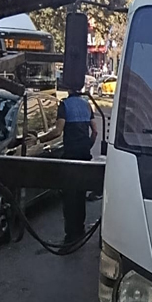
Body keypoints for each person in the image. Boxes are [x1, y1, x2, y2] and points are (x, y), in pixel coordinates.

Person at [56, 91, 99, 244]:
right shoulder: (87, 105)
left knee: (69, 197)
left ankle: (71, 235)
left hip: (70, 157)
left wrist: (38, 139)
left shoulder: (64, 105)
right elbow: (95, 131)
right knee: (80, 195)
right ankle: (80, 230)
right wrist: (87, 146)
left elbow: (58, 131)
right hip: (84, 156)